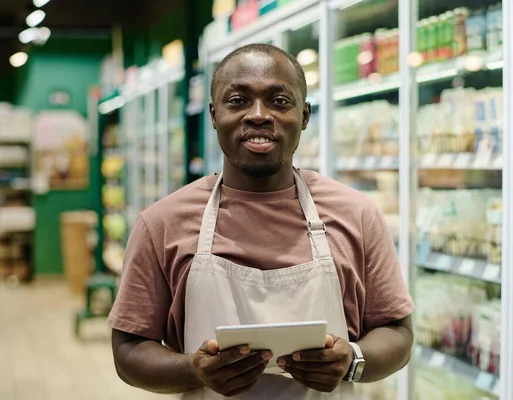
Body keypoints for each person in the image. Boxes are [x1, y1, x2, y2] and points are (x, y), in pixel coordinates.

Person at [108, 43, 414, 399]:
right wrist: (194, 370)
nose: (258, 114)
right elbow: (128, 349)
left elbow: (397, 332)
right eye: (237, 100)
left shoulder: (356, 215)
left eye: (279, 101)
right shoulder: (161, 223)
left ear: (305, 116)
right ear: (213, 114)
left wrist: (353, 360)